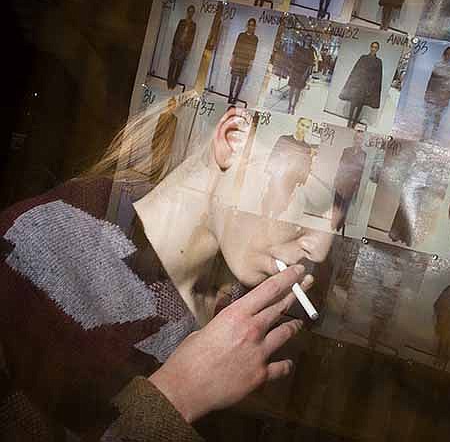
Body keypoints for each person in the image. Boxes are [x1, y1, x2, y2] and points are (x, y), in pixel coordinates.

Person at [0, 97, 348, 439]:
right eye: (312, 203)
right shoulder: (28, 253)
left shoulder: (247, 327)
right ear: (232, 141)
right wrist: (178, 395)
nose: (319, 248)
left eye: (339, 223)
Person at [261, 117, 316, 218]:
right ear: (298, 124)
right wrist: (270, 169)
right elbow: (275, 153)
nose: (303, 128)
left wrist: (302, 179)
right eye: (302, 125)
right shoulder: (284, 139)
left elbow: (306, 164)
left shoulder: (307, 147)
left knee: (284, 200)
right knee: (270, 195)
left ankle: (274, 218)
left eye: (307, 127)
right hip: (278, 174)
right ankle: (264, 217)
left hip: (292, 178)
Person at [331, 128, 368, 232]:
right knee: (336, 203)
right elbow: (340, 165)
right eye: (356, 138)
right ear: (354, 139)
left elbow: (361, 171)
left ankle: (340, 224)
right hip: (341, 181)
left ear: (362, 140)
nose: (358, 140)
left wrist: (357, 186)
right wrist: (336, 179)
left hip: (351, 184)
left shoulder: (363, 154)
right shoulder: (346, 150)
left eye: (360, 139)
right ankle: (333, 223)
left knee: (345, 206)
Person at [340, 42, 383, 128]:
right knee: (353, 103)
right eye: (373, 47)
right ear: (370, 47)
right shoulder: (363, 58)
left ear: (378, 49)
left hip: (367, 87)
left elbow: (378, 77)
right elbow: (356, 70)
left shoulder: (378, 61)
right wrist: (352, 83)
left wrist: (371, 89)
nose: (374, 49)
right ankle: (349, 122)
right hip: (358, 85)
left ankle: (354, 123)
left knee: (360, 106)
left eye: (376, 47)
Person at [422, 46, 450, 141]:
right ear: (444, 54)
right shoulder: (437, 65)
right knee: (427, 116)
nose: (448, 56)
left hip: (443, 97)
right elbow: (431, 80)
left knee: (437, 118)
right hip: (433, 94)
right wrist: (427, 93)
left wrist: (447, 99)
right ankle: (423, 134)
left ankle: (432, 137)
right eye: (447, 53)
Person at [228, 18, 259, 105]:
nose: (251, 27)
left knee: (241, 81)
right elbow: (236, 47)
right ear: (247, 25)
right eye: (250, 24)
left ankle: (236, 98)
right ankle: (230, 95)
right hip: (238, 59)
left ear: (255, 27)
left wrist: (250, 64)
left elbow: (253, 52)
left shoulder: (255, 39)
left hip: (246, 61)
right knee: (233, 79)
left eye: (253, 25)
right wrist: (232, 58)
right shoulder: (241, 35)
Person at [168, 5, 197, 90]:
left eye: (192, 12)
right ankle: (169, 82)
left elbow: (192, 38)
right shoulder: (182, 22)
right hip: (177, 45)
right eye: (189, 11)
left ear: (193, 13)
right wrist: (173, 46)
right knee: (172, 64)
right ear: (187, 12)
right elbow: (176, 33)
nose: (190, 13)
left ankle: (174, 83)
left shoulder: (194, 25)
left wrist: (188, 49)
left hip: (184, 48)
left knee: (179, 66)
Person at [287, 35, 317, 115]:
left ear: (311, 41)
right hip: (295, 70)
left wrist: (308, 73)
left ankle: (293, 107)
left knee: (298, 91)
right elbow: (293, 58)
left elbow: (312, 63)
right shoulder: (299, 48)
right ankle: (289, 105)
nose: (308, 41)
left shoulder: (311, 51)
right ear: (304, 40)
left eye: (310, 40)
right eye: (307, 39)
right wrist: (292, 67)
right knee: (292, 89)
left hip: (304, 72)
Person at [151, 97, 178, 181]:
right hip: (159, 141)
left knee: (162, 161)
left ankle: (157, 177)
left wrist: (170, 145)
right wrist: (154, 142)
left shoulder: (175, 119)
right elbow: (157, 129)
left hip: (166, 143)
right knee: (155, 160)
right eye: (171, 105)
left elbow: (172, 133)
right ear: (168, 105)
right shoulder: (162, 116)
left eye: (174, 105)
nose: (172, 107)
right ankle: (152, 177)